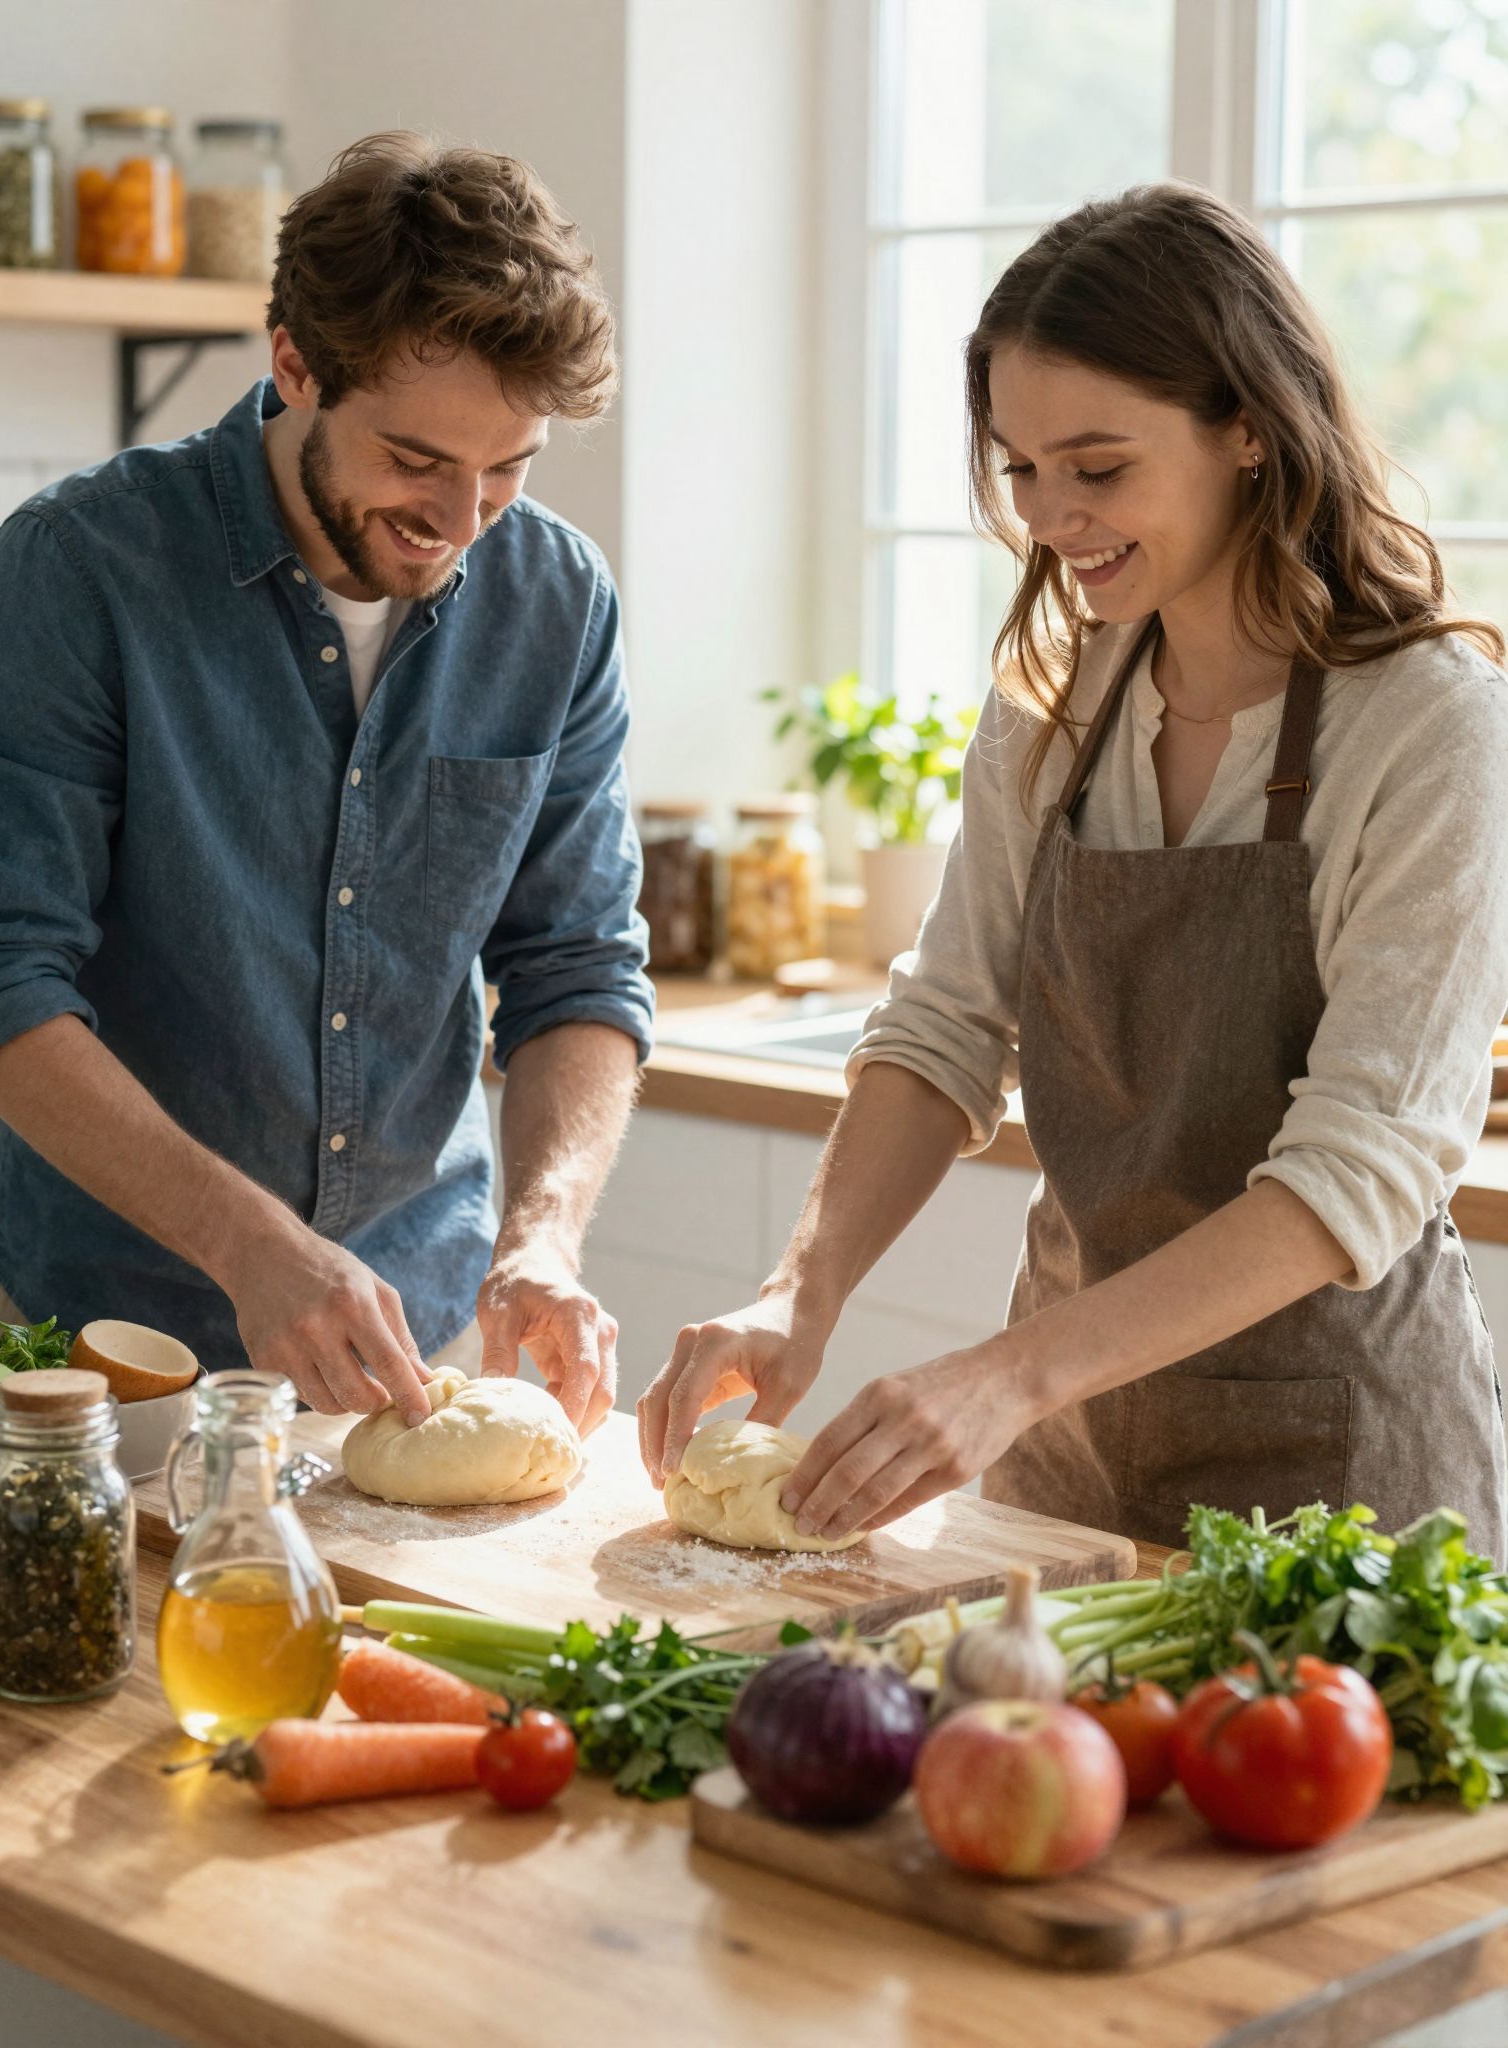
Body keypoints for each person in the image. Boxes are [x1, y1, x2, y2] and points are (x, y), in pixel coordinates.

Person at [639, 181, 1508, 1561]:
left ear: (1250, 431)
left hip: (1341, 1485)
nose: (1050, 516)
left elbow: (1363, 1165)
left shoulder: (1426, 718)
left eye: (1098, 468)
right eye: (1019, 465)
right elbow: (944, 1026)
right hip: (1066, 1465)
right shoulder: (1059, 695)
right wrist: (797, 1295)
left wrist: (1008, 1372)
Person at [0, 132, 652, 1434]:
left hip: (418, 1329)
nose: (463, 524)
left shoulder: (555, 600)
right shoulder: (79, 573)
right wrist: (254, 1247)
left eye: (508, 467)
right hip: (111, 1352)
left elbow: (575, 962)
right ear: (293, 364)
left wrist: (542, 1242)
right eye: (416, 462)